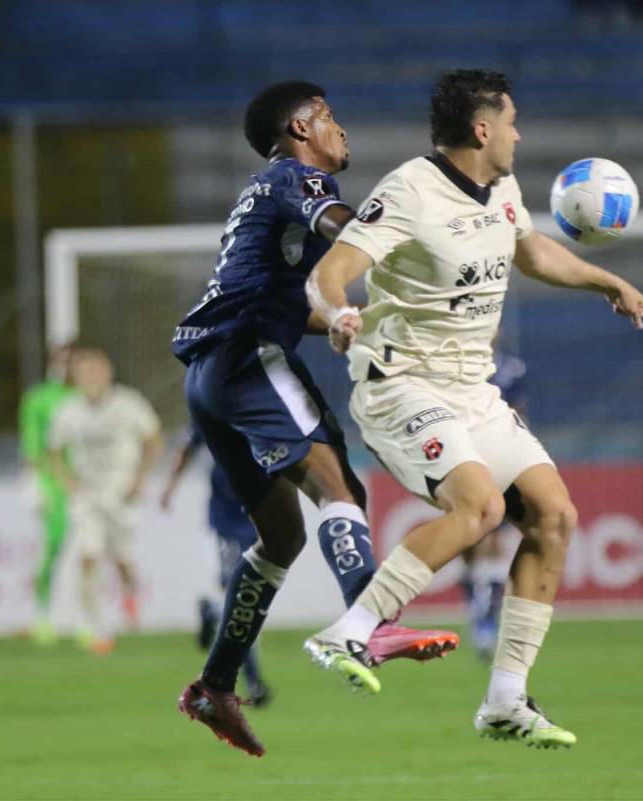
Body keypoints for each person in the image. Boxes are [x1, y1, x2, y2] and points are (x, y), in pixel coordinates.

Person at [304, 68, 643, 749]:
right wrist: (338, 312)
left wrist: (606, 280)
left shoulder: (503, 188)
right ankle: (347, 631)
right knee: (481, 508)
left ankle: (505, 698)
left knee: (554, 516)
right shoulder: (410, 191)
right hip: (401, 381)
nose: (520, 134)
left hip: (472, 390)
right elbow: (329, 271)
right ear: (482, 128)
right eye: (513, 121)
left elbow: (532, 251)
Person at [170, 81, 459, 757]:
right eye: (331, 119)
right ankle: (371, 619)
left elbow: (271, 291)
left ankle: (214, 684)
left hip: (210, 374)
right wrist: (406, 242)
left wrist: (332, 315)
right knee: (338, 485)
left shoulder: (261, 191)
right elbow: (343, 227)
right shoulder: (293, 177)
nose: (342, 132)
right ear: (302, 127)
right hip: (247, 357)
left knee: (280, 535)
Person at [48, 347, 163, 655]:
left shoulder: (129, 403)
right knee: (88, 556)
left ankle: (130, 599)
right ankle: (95, 627)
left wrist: (140, 478)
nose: (91, 378)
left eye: (96, 371)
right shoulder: (68, 411)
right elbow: (55, 452)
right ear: (76, 378)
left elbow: (154, 439)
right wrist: (69, 483)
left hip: (121, 493)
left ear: (108, 373)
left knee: (122, 560)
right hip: (88, 495)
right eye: (84, 372)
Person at [161, 428, 272, 707]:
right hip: (224, 526)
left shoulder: (264, 412)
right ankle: (254, 681)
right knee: (241, 601)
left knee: (246, 601)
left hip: (258, 523)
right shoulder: (215, 403)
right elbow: (188, 446)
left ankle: (211, 611)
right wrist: (170, 486)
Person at [461, 346, 528, 660]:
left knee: (496, 538)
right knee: (471, 544)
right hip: (457, 461)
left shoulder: (510, 368)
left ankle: (487, 614)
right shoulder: (449, 362)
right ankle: (481, 604)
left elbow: (517, 416)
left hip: (497, 461)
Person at [19, 342, 77, 644]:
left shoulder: (84, 397)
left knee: (86, 550)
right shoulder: (39, 398)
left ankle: (84, 619)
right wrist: (35, 485)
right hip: (51, 483)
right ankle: (41, 614)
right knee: (53, 545)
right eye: (63, 360)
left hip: (83, 484)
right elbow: (31, 446)